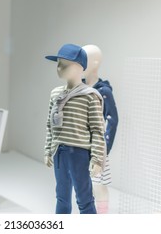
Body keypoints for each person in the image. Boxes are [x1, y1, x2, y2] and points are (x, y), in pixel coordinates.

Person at [44, 43, 106, 214]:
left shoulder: (90, 96)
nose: (58, 68)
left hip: (79, 154)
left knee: (84, 198)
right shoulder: (56, 94)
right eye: (57, 63)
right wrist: (48, 150)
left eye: (64, 64)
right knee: (61, 197)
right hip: (59, 152)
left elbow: (98, 130)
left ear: (79, 67)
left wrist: (96, 159)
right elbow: (50, 126)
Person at [82, 44, 119, 214]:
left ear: (95, 62)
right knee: (83, 184)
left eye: (84, 60)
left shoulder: (104, 91)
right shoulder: (78, 88)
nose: (80, 64)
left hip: (97, 147)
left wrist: (104, 147)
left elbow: (112, 119)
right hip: (80, 145)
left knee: (98, 184)